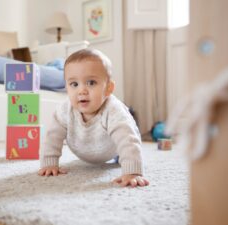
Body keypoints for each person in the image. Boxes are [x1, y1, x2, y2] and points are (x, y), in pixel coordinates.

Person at [38, 49, 149, 188]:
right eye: (74, 84)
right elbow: (52, 136)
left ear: (108, 88)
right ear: (67, 87)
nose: (82, 90)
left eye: (91, 82)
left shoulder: (114, 110)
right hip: (83, 147)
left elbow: (127, 139)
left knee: (125, 148)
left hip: (111, 147)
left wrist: (132, 172)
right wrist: (49, 163)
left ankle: (122, 158)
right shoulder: (64, 110)